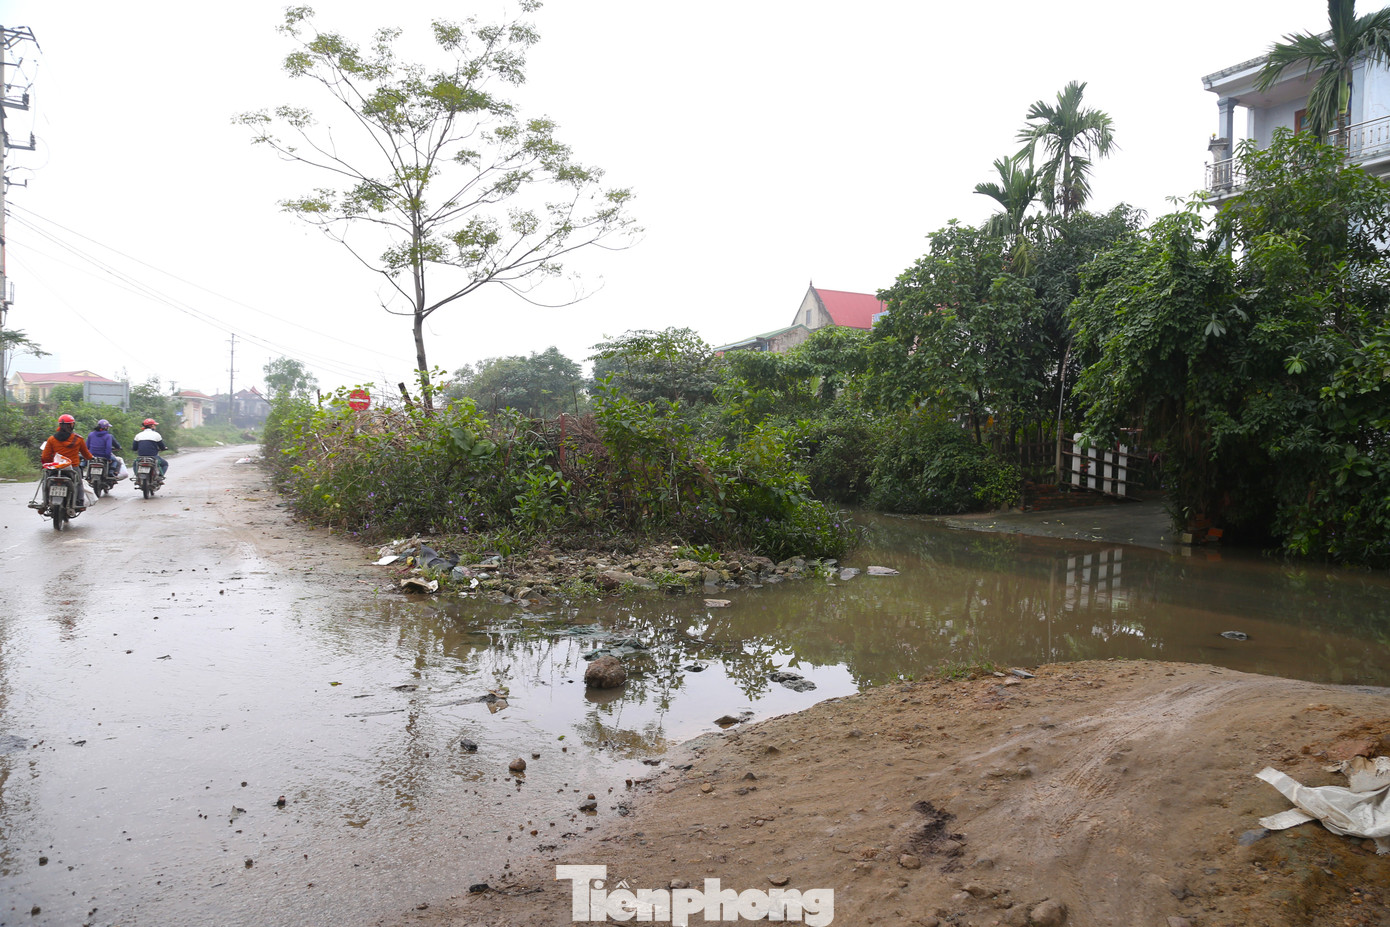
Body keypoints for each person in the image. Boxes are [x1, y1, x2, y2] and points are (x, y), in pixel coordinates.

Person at [40, 413, 95, 509]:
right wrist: (91, 458)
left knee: (46, 481)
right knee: (78, 483)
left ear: (59, 425)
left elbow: (45, 456)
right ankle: (79, 501)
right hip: (72, 468)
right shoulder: (78, 439)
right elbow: (86, 454)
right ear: (72, 425)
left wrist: (50, 464)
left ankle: (45, 501)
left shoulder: (52, 439)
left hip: (55, 468)